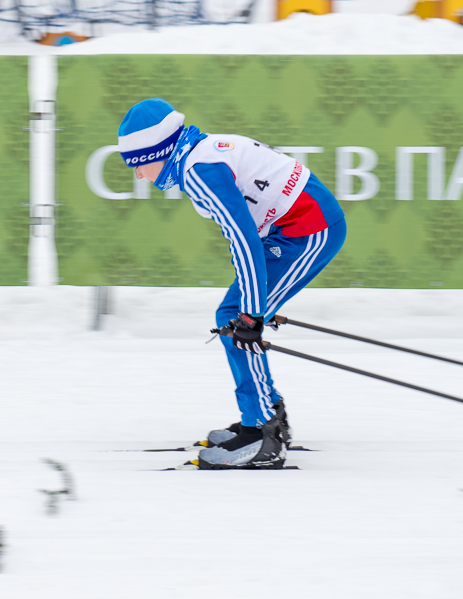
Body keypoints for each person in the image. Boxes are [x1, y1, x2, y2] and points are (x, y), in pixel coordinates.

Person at [117, 99, 346, 469]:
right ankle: (265, 411)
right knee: (233, 317)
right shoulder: (199, 153)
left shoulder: (199, 171)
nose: (139, 175)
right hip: (295, 226)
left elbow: (243, 241)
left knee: (236, 321)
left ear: (158, 150)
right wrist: (251, 311)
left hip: (309, 230)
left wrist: (252, 315)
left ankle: (262, 434)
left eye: (139, 164)